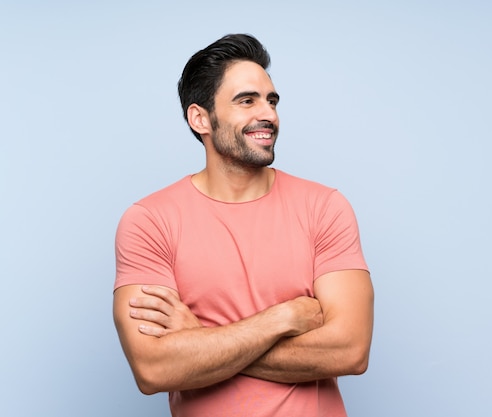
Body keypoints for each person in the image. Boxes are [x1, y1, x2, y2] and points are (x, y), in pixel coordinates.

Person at [113, 33, 374, 417]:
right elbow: (154, 369)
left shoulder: (324, 207)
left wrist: (200, 341)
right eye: (246, 100)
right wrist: (281, 318)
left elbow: (350, 350)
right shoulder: (150, 221)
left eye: (271, 100)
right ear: (200, 118)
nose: (267, 114)